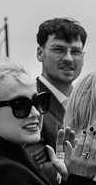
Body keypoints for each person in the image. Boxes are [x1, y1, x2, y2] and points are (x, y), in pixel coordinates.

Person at [30, 17, 88, 147]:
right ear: (40, 53)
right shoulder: (30, 102)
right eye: (58, 50)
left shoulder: (88, 104)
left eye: (76, 52)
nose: (68, 58)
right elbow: (32, 165)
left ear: (83, 58)